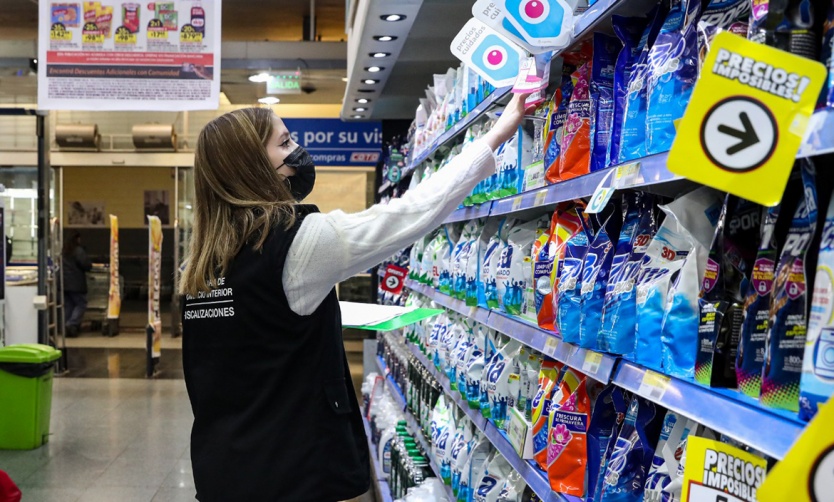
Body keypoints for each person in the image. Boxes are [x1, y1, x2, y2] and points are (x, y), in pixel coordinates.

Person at [179, 93, 529, 502]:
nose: (296, 152)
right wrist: (497, 134)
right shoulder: (297, 241)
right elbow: (411, 213)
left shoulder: (202, 262)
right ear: (252, 165)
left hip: (223, 468)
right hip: (290, 473)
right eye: (285, 142)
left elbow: (256, 334)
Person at [62, 232, 92, 338]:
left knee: (69, 305)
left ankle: (66, 326)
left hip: (64, 283)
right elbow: (86, 264)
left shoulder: (64, 251)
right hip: (76, 283)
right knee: (81, 304)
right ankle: (71, 324)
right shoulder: (78, 251)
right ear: (77, 239)